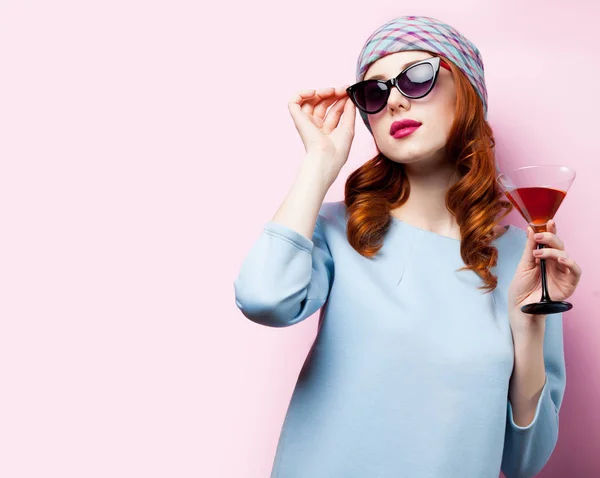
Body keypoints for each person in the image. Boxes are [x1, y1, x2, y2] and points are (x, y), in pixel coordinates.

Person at [233, 15, 582, 478]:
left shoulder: (524, 259)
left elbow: (524, 461)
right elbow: (263, 299)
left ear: (467, 92)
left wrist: (527, 323)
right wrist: (320, 163)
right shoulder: (338, 231)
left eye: (417, 78)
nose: (394, 100)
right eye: (374, 93)